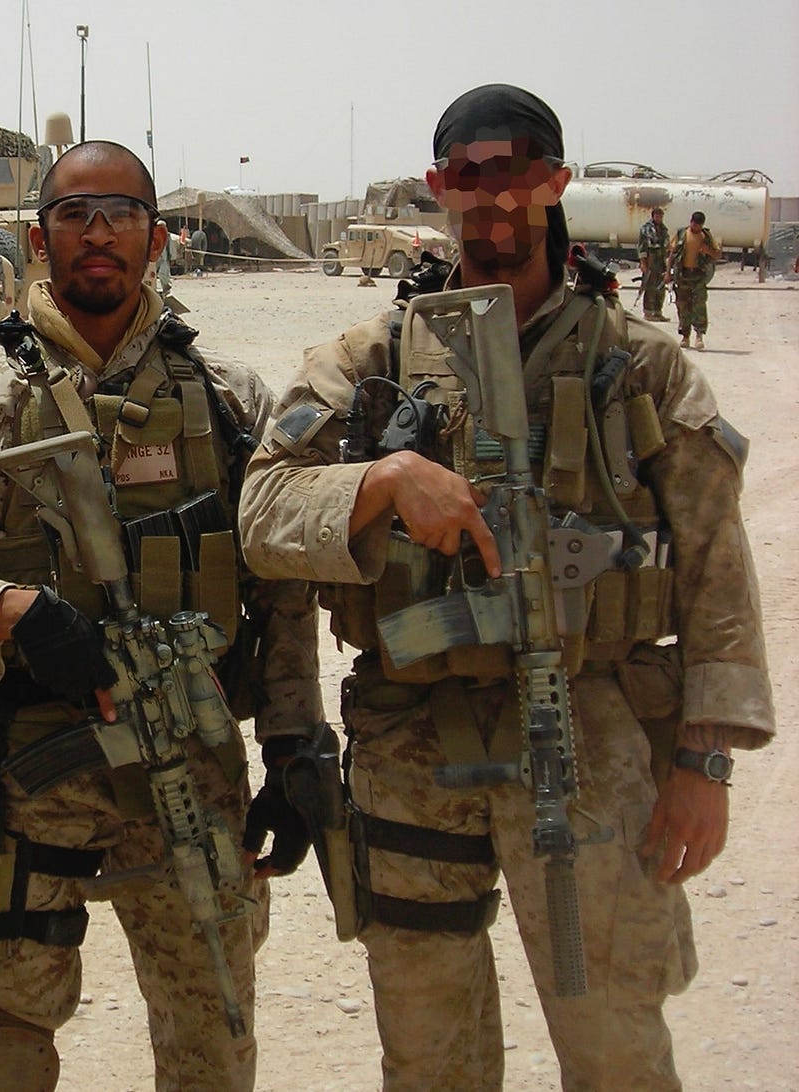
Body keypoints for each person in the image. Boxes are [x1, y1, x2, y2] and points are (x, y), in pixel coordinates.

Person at [239, 84, 772, 1091]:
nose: (491, 194)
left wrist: (704, 761)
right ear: (438, 188)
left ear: (554, 182)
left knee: (615, 1045)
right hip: (411, 738)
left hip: (591, 730)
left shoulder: (637, 364)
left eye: (514, 170)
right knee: (428, 1052)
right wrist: (383, 481)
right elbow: (262, 514)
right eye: (466, 174)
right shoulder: (371, 359)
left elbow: (715, 565)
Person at [0, 140, 324, 1091]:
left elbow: (280, 591)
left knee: (212, 1033)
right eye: (75, 214)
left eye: (121, 213)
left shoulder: (228, 398)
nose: (98, 232)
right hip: (32, 766)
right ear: (40, 240)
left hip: (193, 760)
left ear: (158, 238)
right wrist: (15, 614)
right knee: (10, 1040)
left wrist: (293, 746)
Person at [668, 210, 722, 348]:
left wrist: (707, 250)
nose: (696, 227)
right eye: (694, 224)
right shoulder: (682, 234)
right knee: (683, 306)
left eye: (699, 225)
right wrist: (668, 273)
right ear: (691, 222)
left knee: (699, 306)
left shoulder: (706, 236)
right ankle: (685, 336)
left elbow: (717, 254)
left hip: (698, 275)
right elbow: (672, 254)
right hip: (683, 275)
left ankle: (699, 336)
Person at [637, 206, 670, 320]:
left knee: (660, 287)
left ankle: (657, 312)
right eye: (657, 216)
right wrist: (643, 263)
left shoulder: (664, 229)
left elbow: (667, 246)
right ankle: (648, 312)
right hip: (650, 260)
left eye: (660, 216)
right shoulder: (646, 229)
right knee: (650, 287)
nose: (659, 218)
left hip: (661, 261)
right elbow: (642, 247)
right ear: (653, 216)